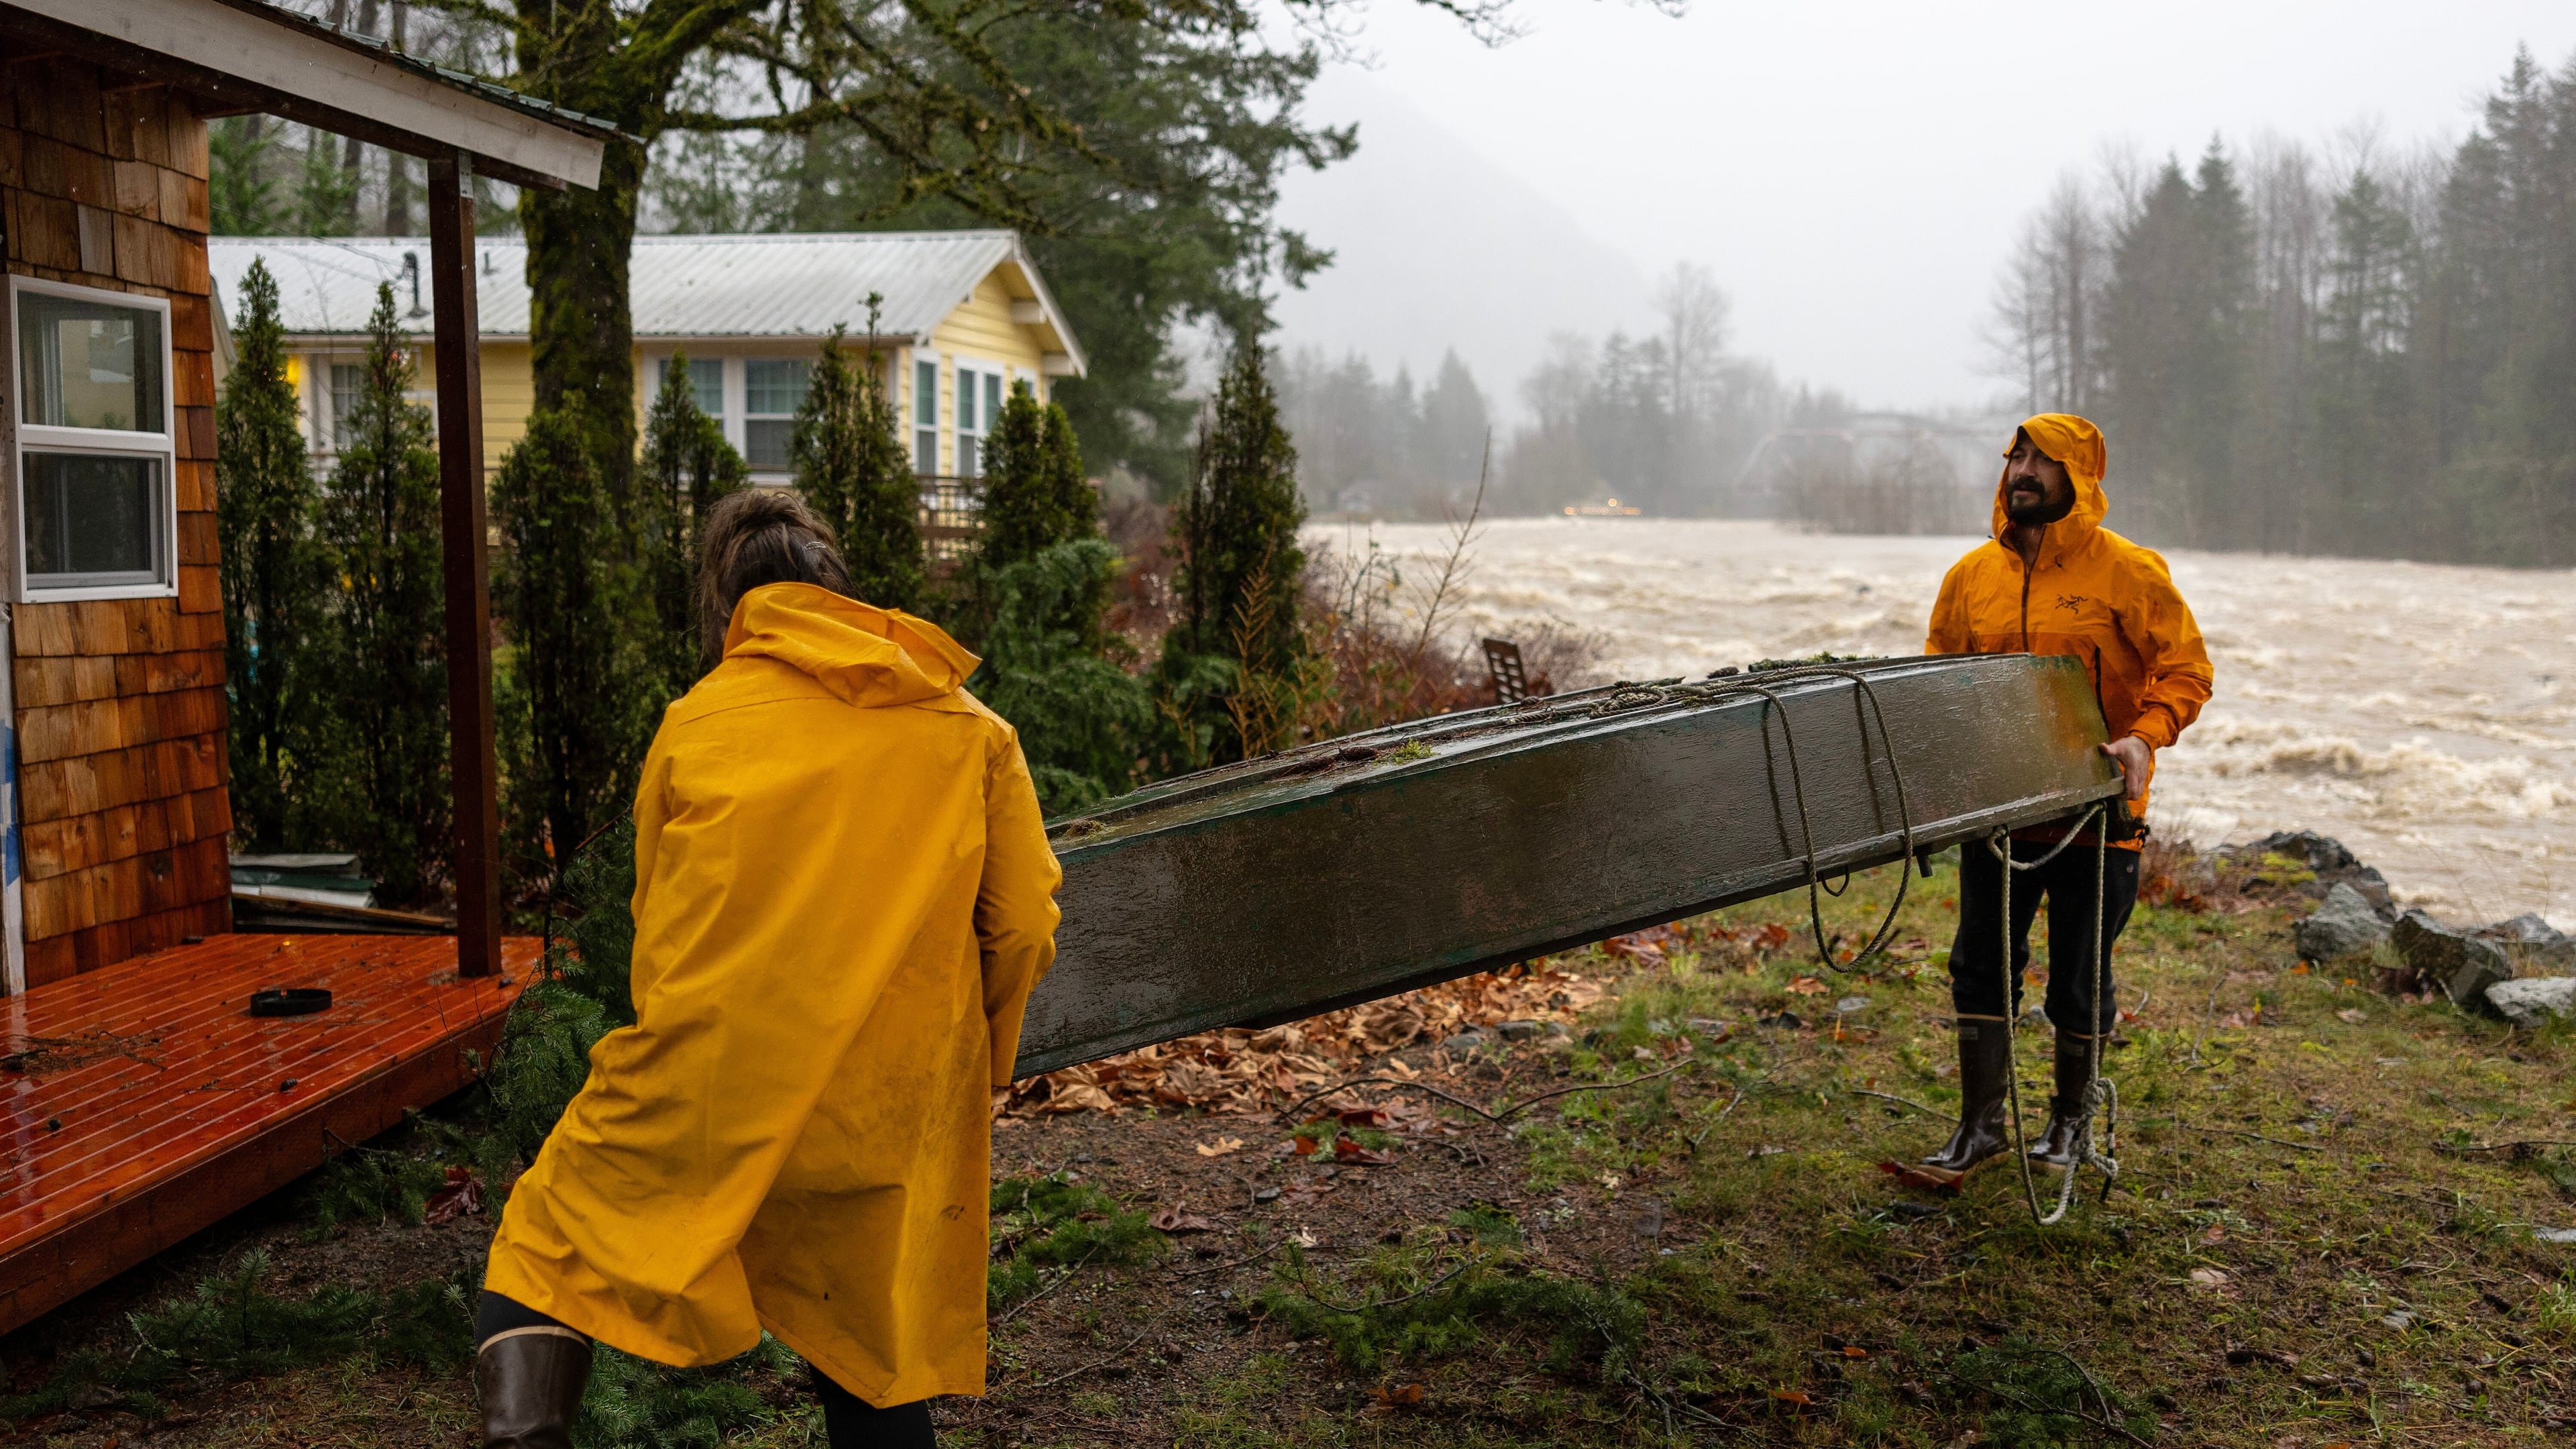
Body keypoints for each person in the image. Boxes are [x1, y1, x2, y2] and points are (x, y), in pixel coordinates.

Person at [472, 489, 1064, 1448]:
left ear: (729, 608)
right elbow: (1026, 924)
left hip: (715, 1084)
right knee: (868, 1348)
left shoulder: (696, 724)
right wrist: (973, 1061)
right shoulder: (969, 731)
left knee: (546, 1243)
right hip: (882, 1096)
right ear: (842, 592)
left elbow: (660, 928)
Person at [1921, 413, 2211, 1175]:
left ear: (2079, 479)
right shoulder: (1970, 577)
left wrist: (2144, 738)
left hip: (2097, 815)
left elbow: (2187, 672)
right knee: (1980, 965)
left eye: (2043, 460)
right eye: (2017, 455)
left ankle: (2069, 1129)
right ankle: (1980, 1128)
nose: (2023, 470)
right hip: (1999, 816)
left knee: (2080, 977)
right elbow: (1937, 687)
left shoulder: (2130, 571)